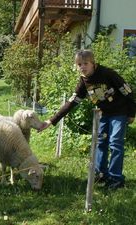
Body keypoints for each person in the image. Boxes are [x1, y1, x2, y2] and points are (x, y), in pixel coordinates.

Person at [38, 49, 136, 190]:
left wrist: (131, 113)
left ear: (93, 63)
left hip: (119, 113)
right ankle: (101, 174)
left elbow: (128, 91)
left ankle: (116, 179)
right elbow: (72, 102)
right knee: (100, 142)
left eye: (85, 63)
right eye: (79, 64)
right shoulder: (84, 81)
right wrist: (51, 121)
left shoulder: (108, 74)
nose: (82, 67)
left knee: (115, 143)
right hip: (103, 114)